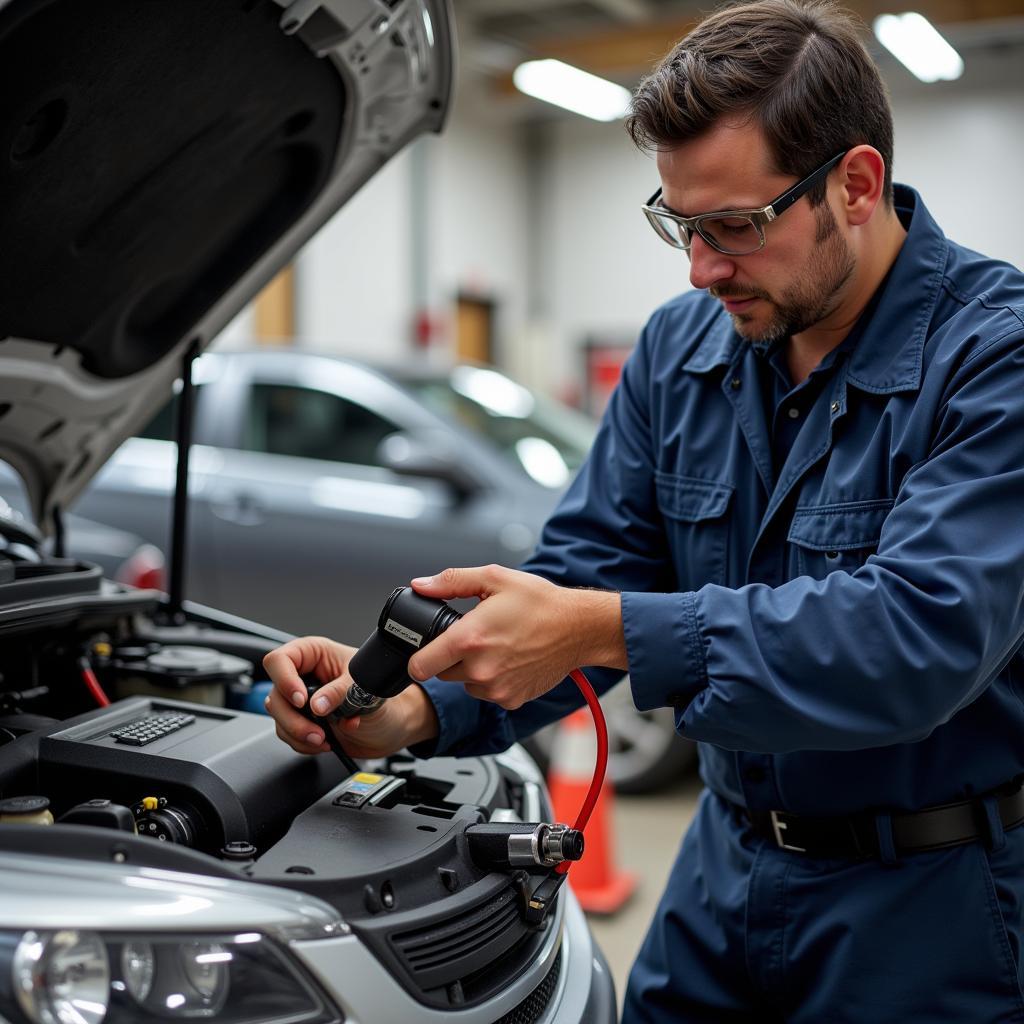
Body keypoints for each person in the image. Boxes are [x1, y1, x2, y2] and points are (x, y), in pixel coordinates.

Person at [264, 0, 1024, 1019]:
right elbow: (587, 570)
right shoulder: (682, 349)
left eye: (735, 228)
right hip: (724, 874)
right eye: (679, 224)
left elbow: (915, 635)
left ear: (854, 184)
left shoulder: (993, 358)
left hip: (931, 906)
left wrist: (608, 629)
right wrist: (407, 711)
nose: (701, 268)